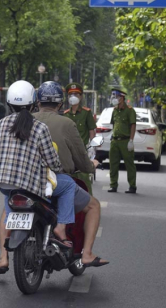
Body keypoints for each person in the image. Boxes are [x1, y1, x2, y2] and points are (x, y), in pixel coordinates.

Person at [0, 81, 107, 274]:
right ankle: (68, 234)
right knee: (70, 186)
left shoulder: (2, 123)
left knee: (7, 210)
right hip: (36, 183)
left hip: (6, 183)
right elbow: (53, 161)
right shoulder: (41, 126)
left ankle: (3, 257)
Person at [34, 81, 107, 266]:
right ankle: (87, 253)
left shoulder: (25, 119)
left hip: (25, 180)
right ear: (60, 104)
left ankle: (3, 255)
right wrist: (90, 166)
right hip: (56, 179)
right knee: (93, 206)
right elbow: (81, 157)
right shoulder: (66, 122)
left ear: (38, 101)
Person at [108, 88, 137, 193]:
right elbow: (114, 124)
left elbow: (133, 125)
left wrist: (131, 140)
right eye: (113, 97)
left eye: (116, 97)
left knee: (129, 164)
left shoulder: (129, 110)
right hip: (115, 141)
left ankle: (132, 186)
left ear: (122, 98)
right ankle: (113, 185)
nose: (114, 99)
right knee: (113, 164)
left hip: (125, 141)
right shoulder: (114, 110)